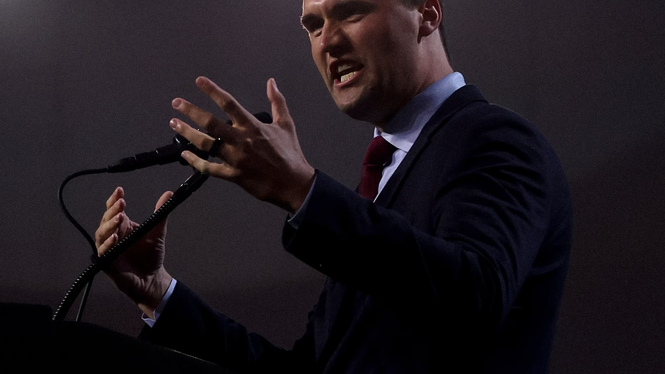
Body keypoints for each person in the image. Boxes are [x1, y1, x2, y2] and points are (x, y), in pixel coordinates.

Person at [95, 0, 572, 372]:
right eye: (313, 25)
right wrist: (160, 295)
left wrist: (303, 191)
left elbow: (476, 298)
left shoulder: (493, 139)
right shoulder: (377, 188)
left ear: (426, 13)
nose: (327, 42)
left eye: (350, 12)